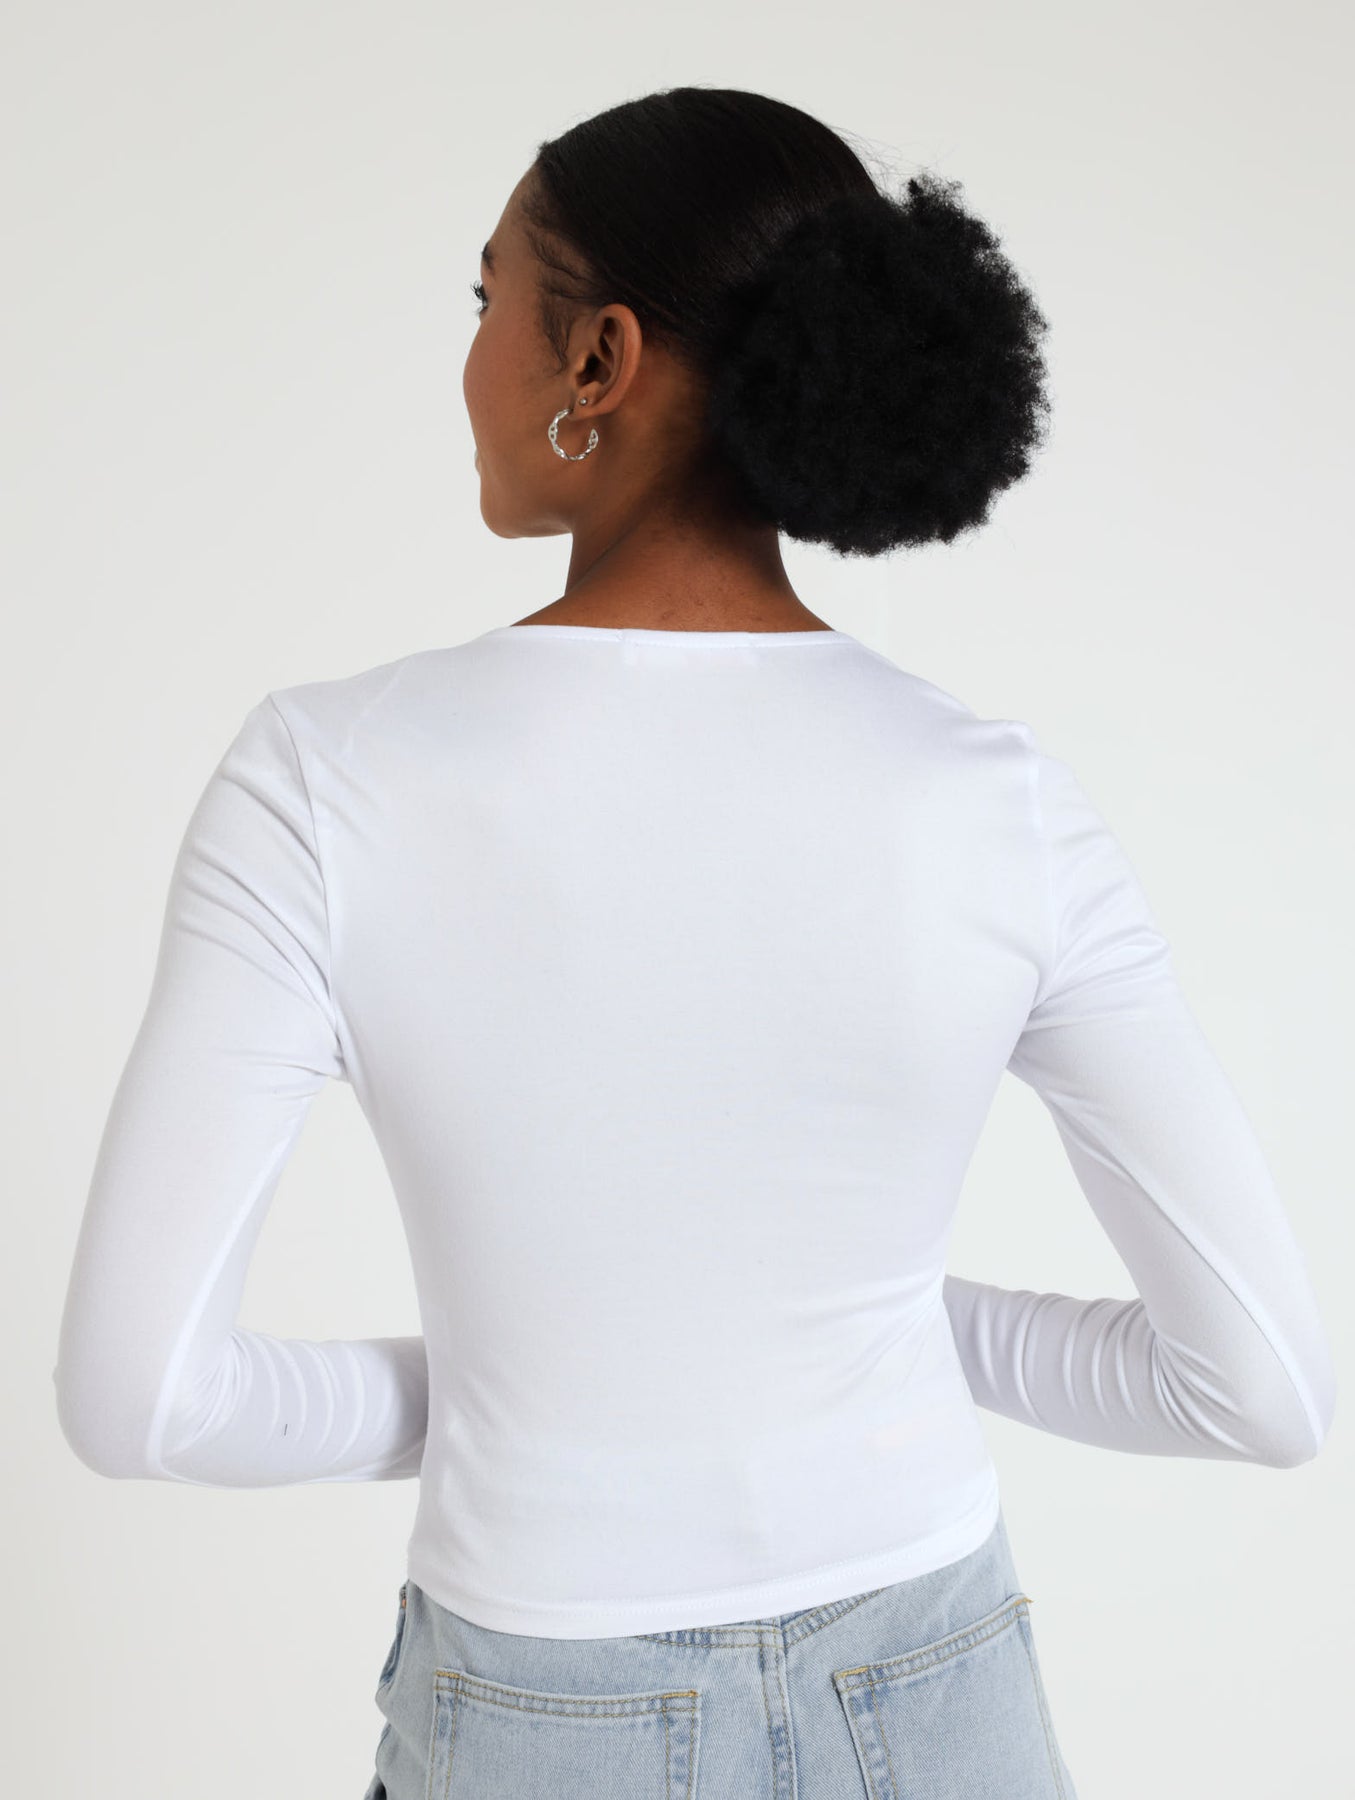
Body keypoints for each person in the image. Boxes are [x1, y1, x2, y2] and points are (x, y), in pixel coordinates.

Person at [53, 86, 1335, 1800]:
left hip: (544, 1712)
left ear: (599, 361)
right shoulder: (997, 797)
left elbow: (140, 1401)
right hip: (939, 1690)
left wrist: (526, 1382)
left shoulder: (324, 778)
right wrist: (876, 1327)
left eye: (489, 296)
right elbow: (1258, 1388)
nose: (470, 356)